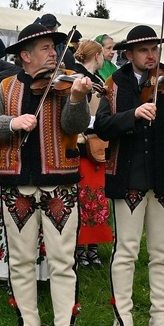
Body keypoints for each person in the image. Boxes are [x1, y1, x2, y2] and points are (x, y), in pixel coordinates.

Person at [0, 23, 92, 326]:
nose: (53, 52)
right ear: (24, 55)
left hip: (60, 185)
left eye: (54, 47)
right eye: (44, 48)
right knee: (21, 259)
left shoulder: (67, 84)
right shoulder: (4, 87)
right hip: (16, 185)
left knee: (63, 261)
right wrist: (11, 123)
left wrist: (78, 98)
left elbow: (74, 125)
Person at [93, 25, 164, 326]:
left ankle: (160, 325)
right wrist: (133, 114)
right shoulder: (114, 84)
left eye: (154, 49)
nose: (151, 56)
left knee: (163, 253)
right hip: (128, 177)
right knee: (126, 252)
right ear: (129, 54)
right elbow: (104, 127)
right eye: (144, 50)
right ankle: (123, 324)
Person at [72, 40, 113, 268]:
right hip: (81, 145)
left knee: (98, 198)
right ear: (97, 56)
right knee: (82, 198)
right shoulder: (78, 78)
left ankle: (93, 248)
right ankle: (79, 248)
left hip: (98, 145)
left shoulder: (99, 81)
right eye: (106, 52)